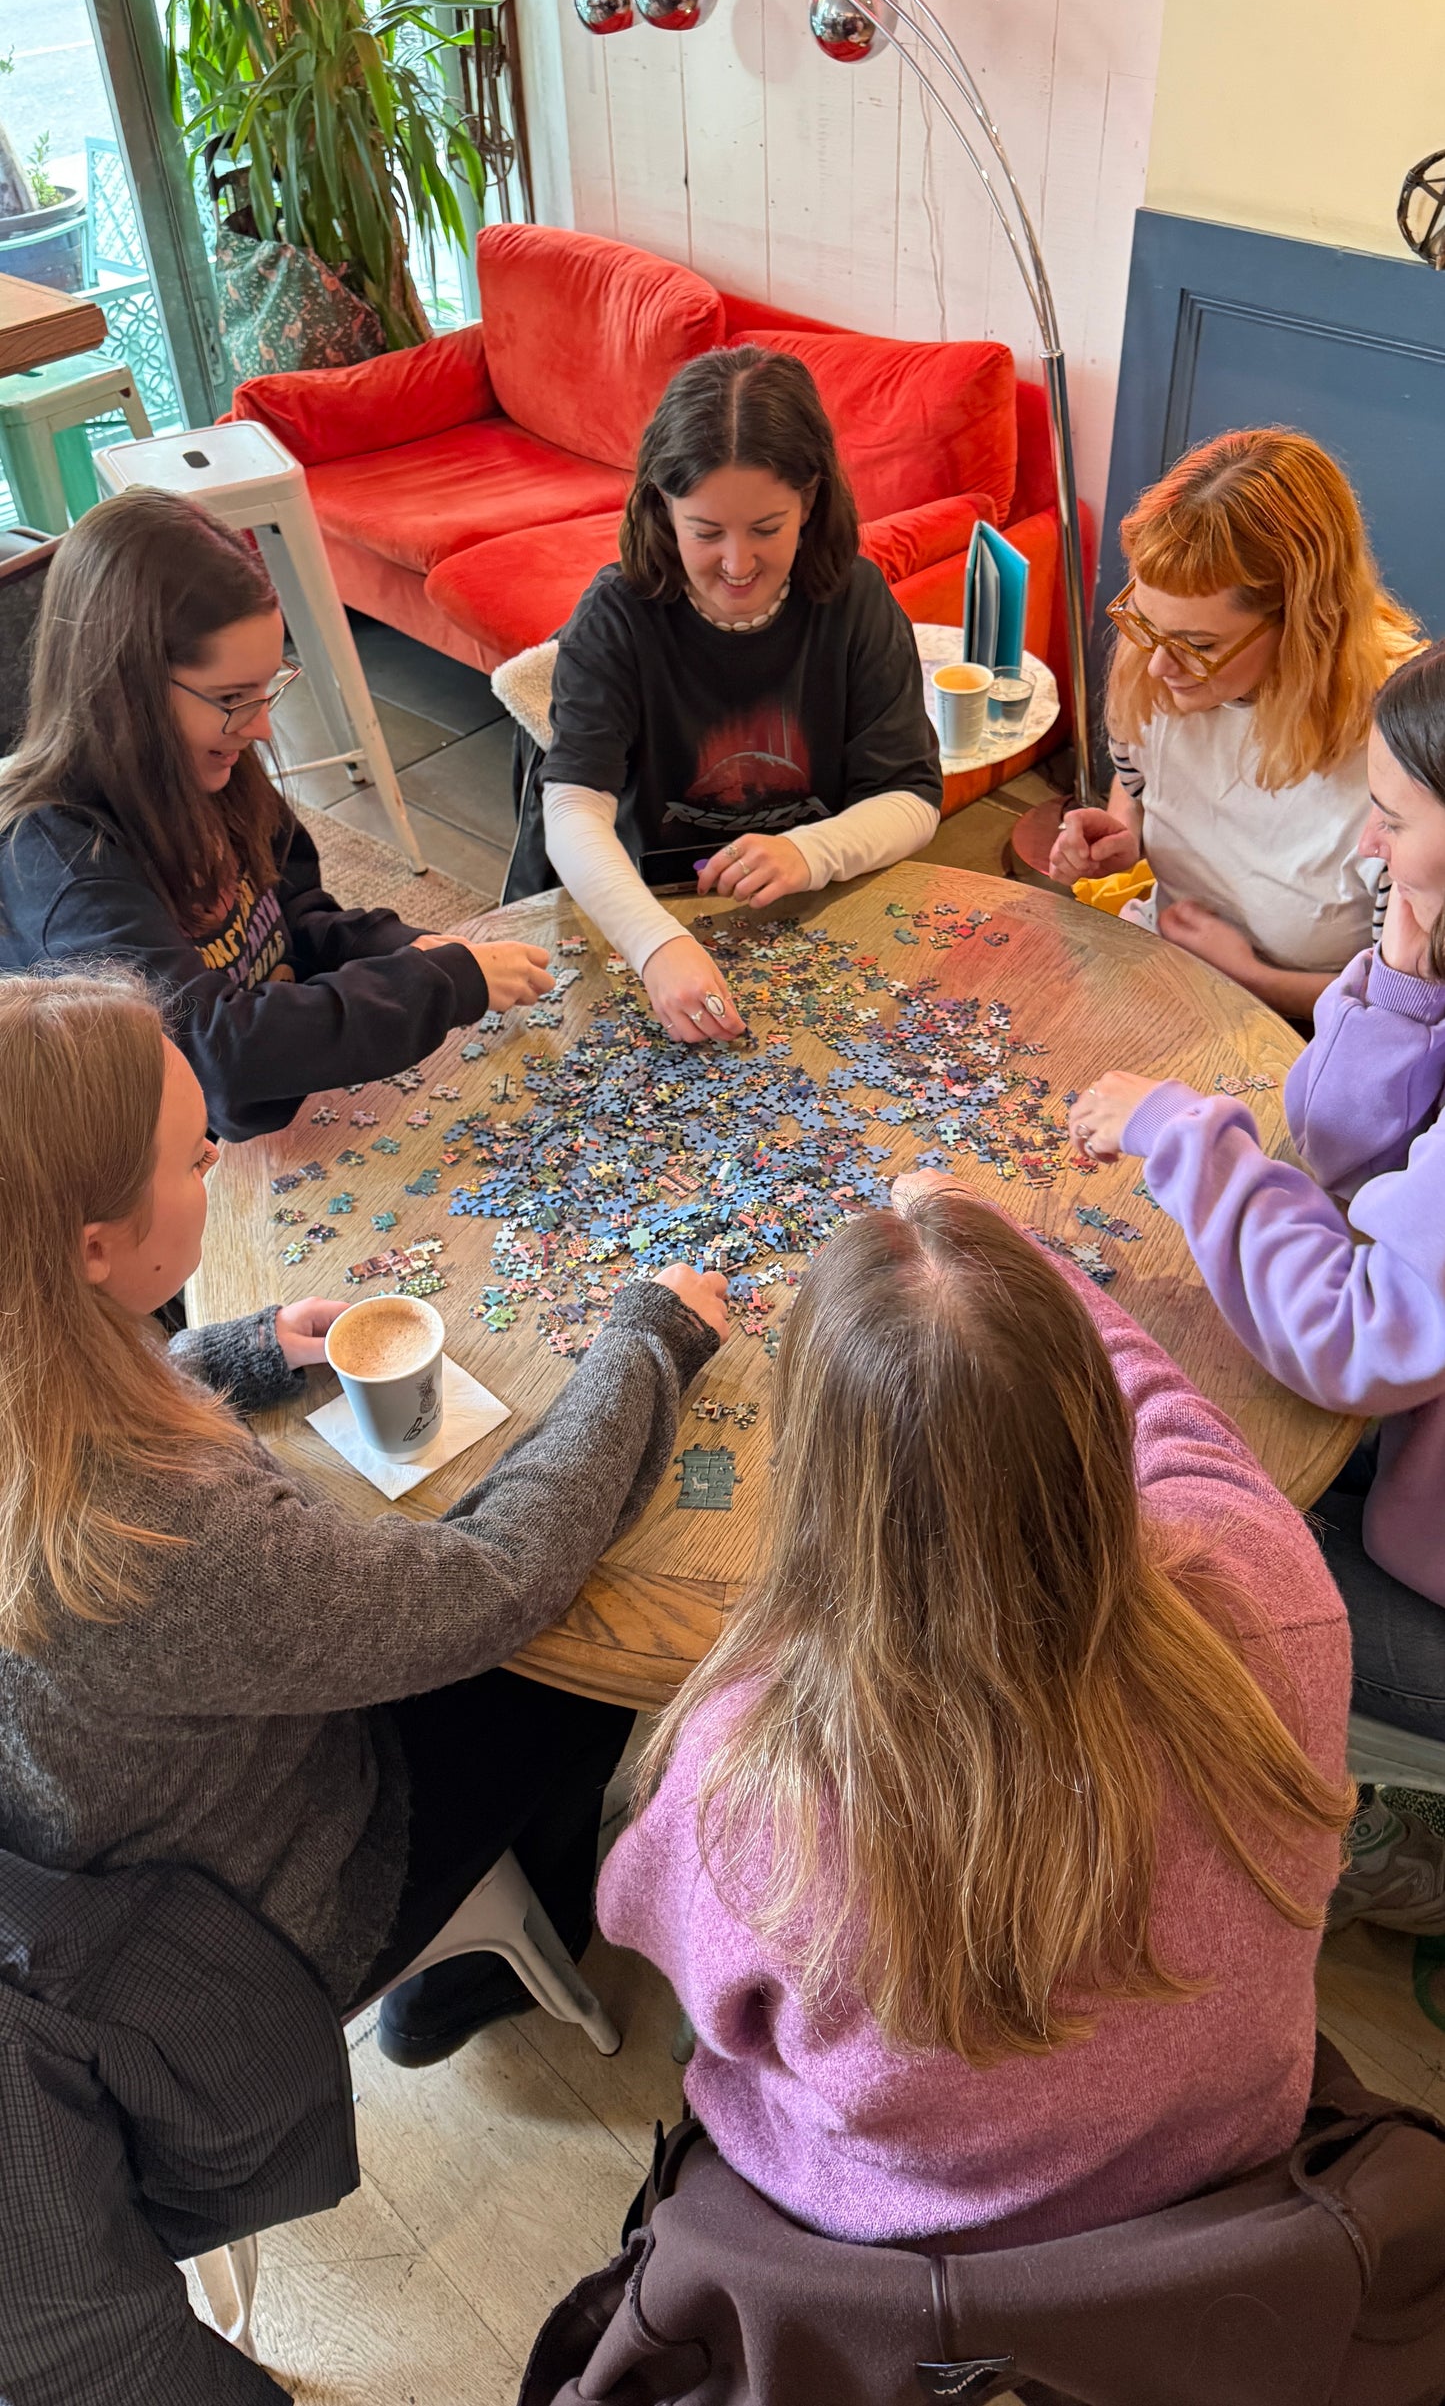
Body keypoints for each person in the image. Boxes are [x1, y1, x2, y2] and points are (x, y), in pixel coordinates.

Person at [0, 964, 728, 2067]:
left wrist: (230, 1354)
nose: (215, 1163)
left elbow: (78, 1398)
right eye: (195, 1157)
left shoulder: (33, 1360)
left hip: (102, 1836)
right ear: (95, 1245)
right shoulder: (167, 1534)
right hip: (267, 1921)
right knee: (574, 1679)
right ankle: (466, 1978)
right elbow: (494, 1579)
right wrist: (646, 1342)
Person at [599, 1185, 1351, 2246]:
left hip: (911, 2238)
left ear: (814, 1478)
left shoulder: (747, 1776)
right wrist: (1023, 1266)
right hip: (1226, 2177)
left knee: (727, 2025)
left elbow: (655, 1937)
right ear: (1089, 1430)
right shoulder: (1270, 1585)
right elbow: (1177, 1421)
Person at [1068, 640, 1445, 1927]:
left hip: (1429, 1572)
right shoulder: (1427, 922)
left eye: (1390, 819)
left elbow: (1353, 1338)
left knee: (1125, 1570)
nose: (1367, 843)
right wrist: (1400, 961)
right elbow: (1332, 1138)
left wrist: (1183, 1136)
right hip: (1412, 1464)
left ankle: (1388, 1846)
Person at [0, 489, 553, 1139]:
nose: (261, 725)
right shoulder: (66, 867)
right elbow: (218, 1058)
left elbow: (295, 916)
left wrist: (412, 951)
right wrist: (430, 986)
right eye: (233, 696)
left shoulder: (202, 760)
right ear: (124, 691)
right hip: (145, 1164)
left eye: (266, 687)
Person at [536, 346, 942, 1046]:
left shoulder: (857, 601)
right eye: (704, 531)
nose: (736, 563)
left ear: (809, 501)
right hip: (649, 912)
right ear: (662, 505)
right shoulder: (616, 615)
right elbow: (572, 807)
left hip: (821, 911)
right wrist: (655, 943)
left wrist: (810, 850)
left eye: (765, 529)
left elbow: (912, 799)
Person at [1050, 429, 1420, 1020]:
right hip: (1164, 972)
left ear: (1304, 625)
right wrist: (1121, 839)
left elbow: (1408, 1003)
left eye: (1198, 642)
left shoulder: (1402, 747)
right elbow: (1140, 789)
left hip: (1315, 1031)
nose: (1158, 664)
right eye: (1146, 624)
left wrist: (1253, 979)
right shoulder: (1156, 661)